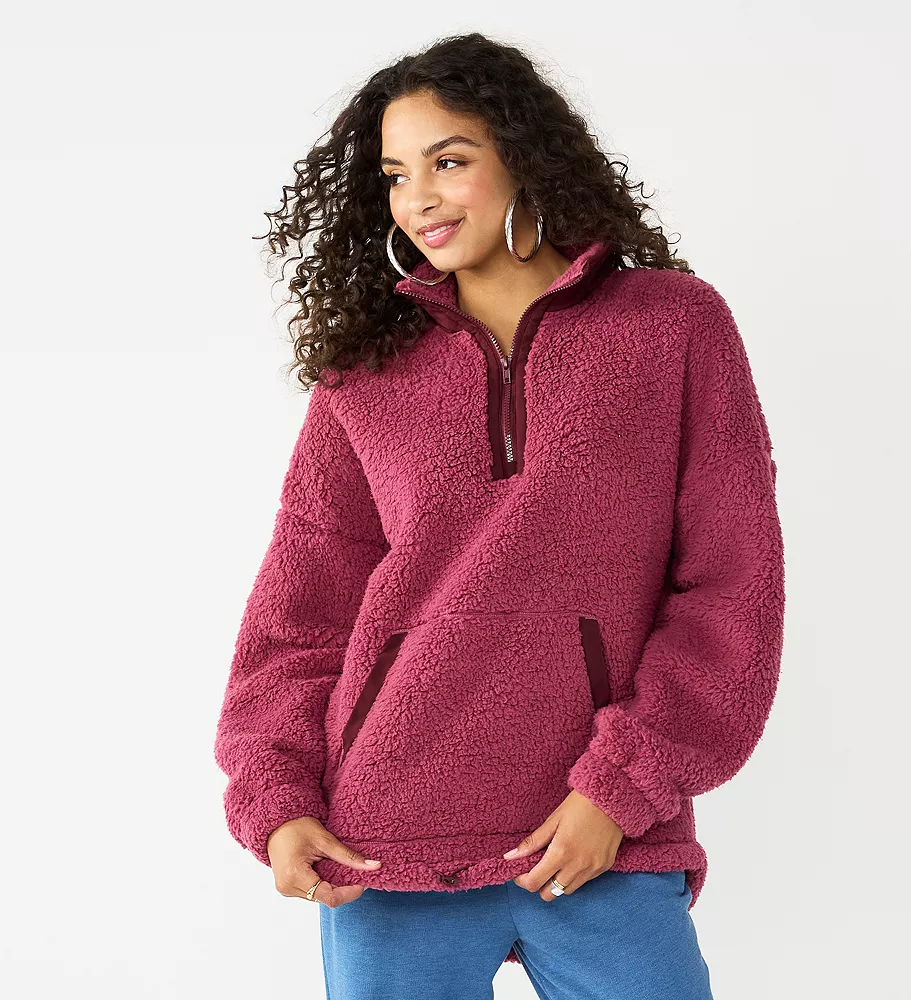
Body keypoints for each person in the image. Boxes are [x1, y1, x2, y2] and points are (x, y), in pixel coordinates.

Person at [213, 31, 785, 1000]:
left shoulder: (670, 326)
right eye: (397, 175)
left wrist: (621, 788)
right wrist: (275, 797)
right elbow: (300, 614)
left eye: (448, 161)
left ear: (523, 153)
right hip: (384, 843)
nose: (419, 199)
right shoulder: (364, 373)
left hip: (601, 833)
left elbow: (732, 585)